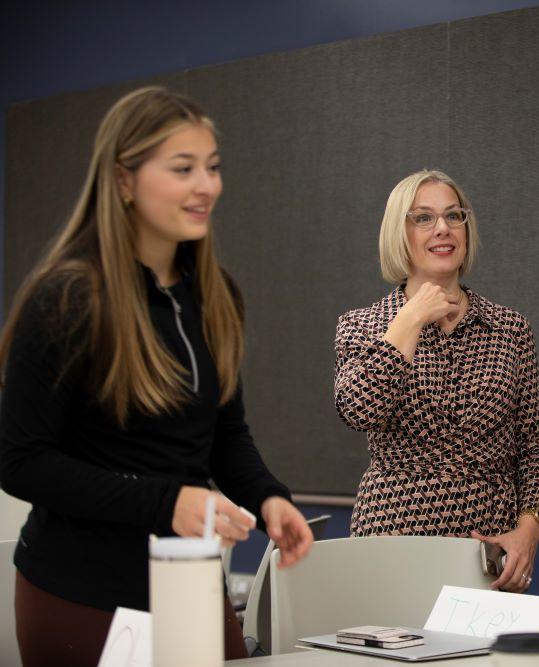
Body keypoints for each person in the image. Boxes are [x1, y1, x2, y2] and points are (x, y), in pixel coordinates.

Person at [0, 87, 314, 666]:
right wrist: (163, 503)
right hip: (80, 595)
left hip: (189, 588)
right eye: (183, 169)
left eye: (213, 168)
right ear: (124, 180)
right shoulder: (66, 298)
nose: (207, 186)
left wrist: (268, 498)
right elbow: (21, 459)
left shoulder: (217, 295)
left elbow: (225, 434)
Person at [335, 169, 539, 593]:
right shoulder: (362, 326)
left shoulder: (509, 328)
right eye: (423, 218)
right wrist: (411, 319)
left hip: (490, 548)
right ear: (399, 233)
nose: (443, 229)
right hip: (393, 538)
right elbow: (359, 410)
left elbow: (535, 447)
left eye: (454, 216)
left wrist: (529, 530)